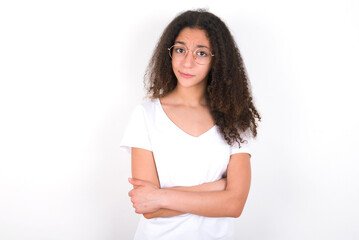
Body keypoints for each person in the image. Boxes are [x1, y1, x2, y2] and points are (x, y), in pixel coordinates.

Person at [120, 9, 261, 240]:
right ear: (170, 52)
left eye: (201, 53)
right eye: (180, 49)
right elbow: (148, 208)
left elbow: (235, 205)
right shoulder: (145, 115)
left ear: (218, 59)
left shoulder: (235, 118)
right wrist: (217, 188)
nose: (188, 62)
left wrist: (161, 196)